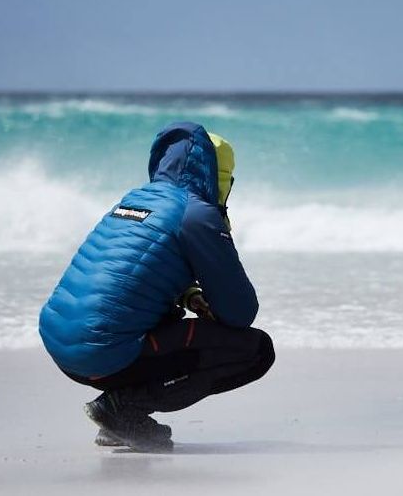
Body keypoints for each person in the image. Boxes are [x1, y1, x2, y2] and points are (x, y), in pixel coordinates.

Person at [38, 122, 274, 451]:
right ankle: (121, 411)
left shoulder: (136, 199)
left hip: (61, 345)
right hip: (102, 356)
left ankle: (119, 416)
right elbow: (240, 312)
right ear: (221, 177)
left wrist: (190, 295)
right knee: (255, 350)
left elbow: (134, 273)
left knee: (166, 316)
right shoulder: (197, 215)